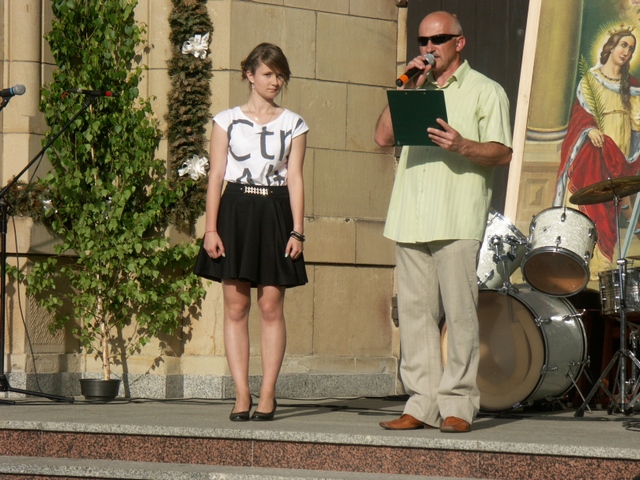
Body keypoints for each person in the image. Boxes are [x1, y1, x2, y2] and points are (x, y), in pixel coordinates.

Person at [374, 11, 512, 433]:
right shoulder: (417, 88)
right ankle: (421, 404)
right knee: (414, 315)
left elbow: (502, 152)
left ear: (459, 42)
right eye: (423, 41)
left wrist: (462, 145)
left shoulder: (486, 90)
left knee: (460, 314)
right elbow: (382, 137)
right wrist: (406, 88)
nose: (429, 47)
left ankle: (458, 405)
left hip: (455, 215)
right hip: (411, 215)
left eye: (438, 39)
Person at [193, 43, 308, 422]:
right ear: (250, 75)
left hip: (275, 213)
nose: (275, 81)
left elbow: (295, 178)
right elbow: (215, 176)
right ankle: (241, 393)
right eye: (268, 74)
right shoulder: (225, 120)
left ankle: (268, 393)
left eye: (280, 75)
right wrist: (210, 229)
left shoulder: (294, 123)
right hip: (236, 211)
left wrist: (298, 231)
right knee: (236, 306)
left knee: (271, 306)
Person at [553, 27, 640, 277]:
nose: (626, 51)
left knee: (609, 206)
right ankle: (575, 259)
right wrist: (589, 129)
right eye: (623, 45)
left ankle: (600, 265)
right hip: (593, 148)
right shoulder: (590, 81)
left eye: (631, 48)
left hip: (620, 149)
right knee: (588, 200)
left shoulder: (632, 85)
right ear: (610, 47)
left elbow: (637, 122)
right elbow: (579, 115)